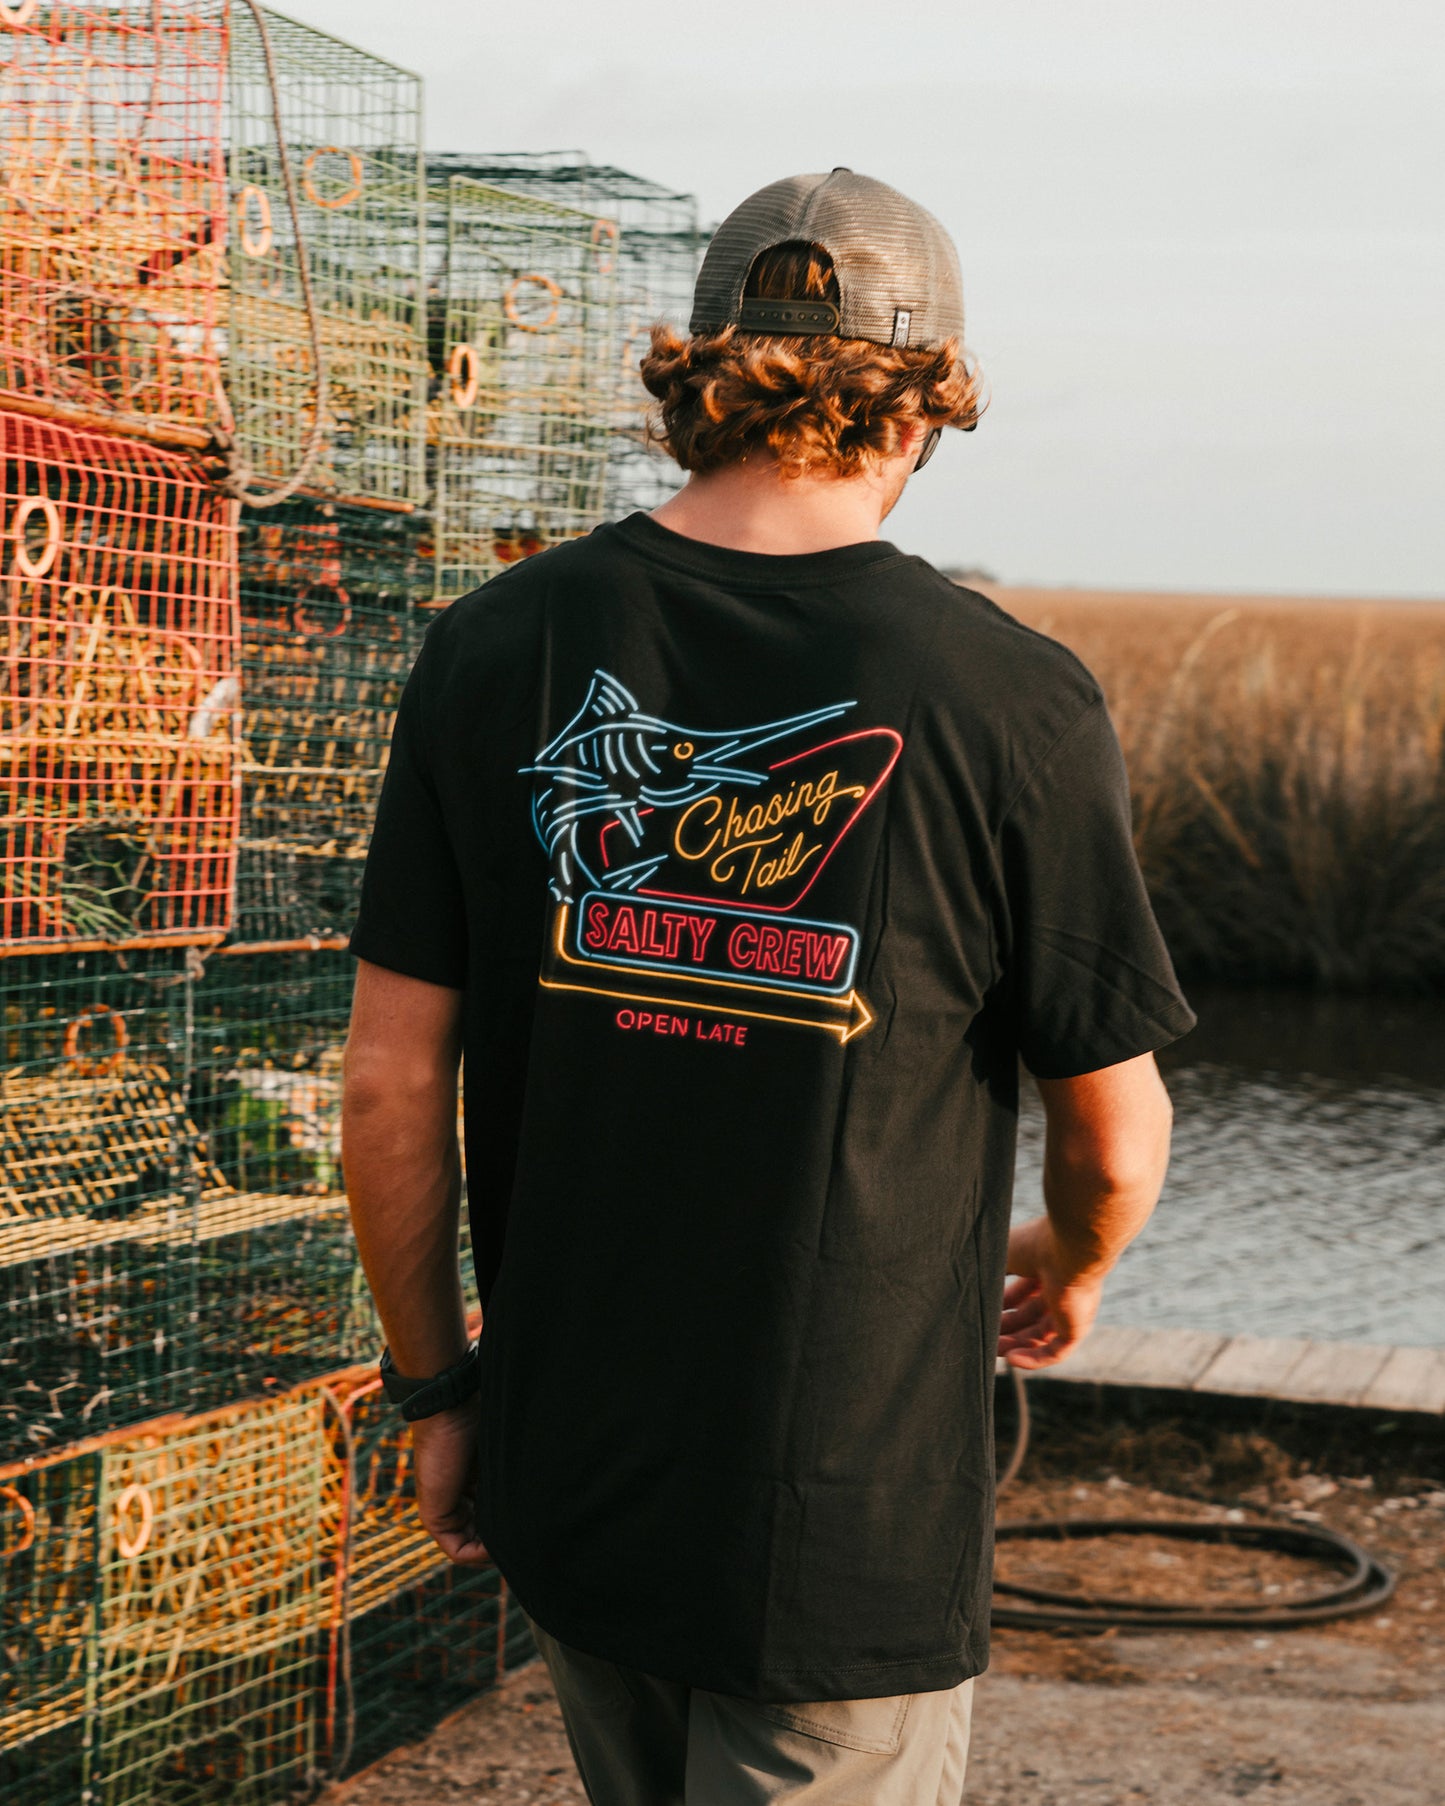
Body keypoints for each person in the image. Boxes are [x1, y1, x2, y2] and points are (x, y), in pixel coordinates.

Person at [342, 168, 1195, 1805]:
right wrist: (1070, 1263)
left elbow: (385, 1087)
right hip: (840, 1529)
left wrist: (443, 1387)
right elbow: (1115, 1142)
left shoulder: (490, 645)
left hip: (577, 1473)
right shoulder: (1008, 698)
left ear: (696, 382)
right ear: (926, 405)